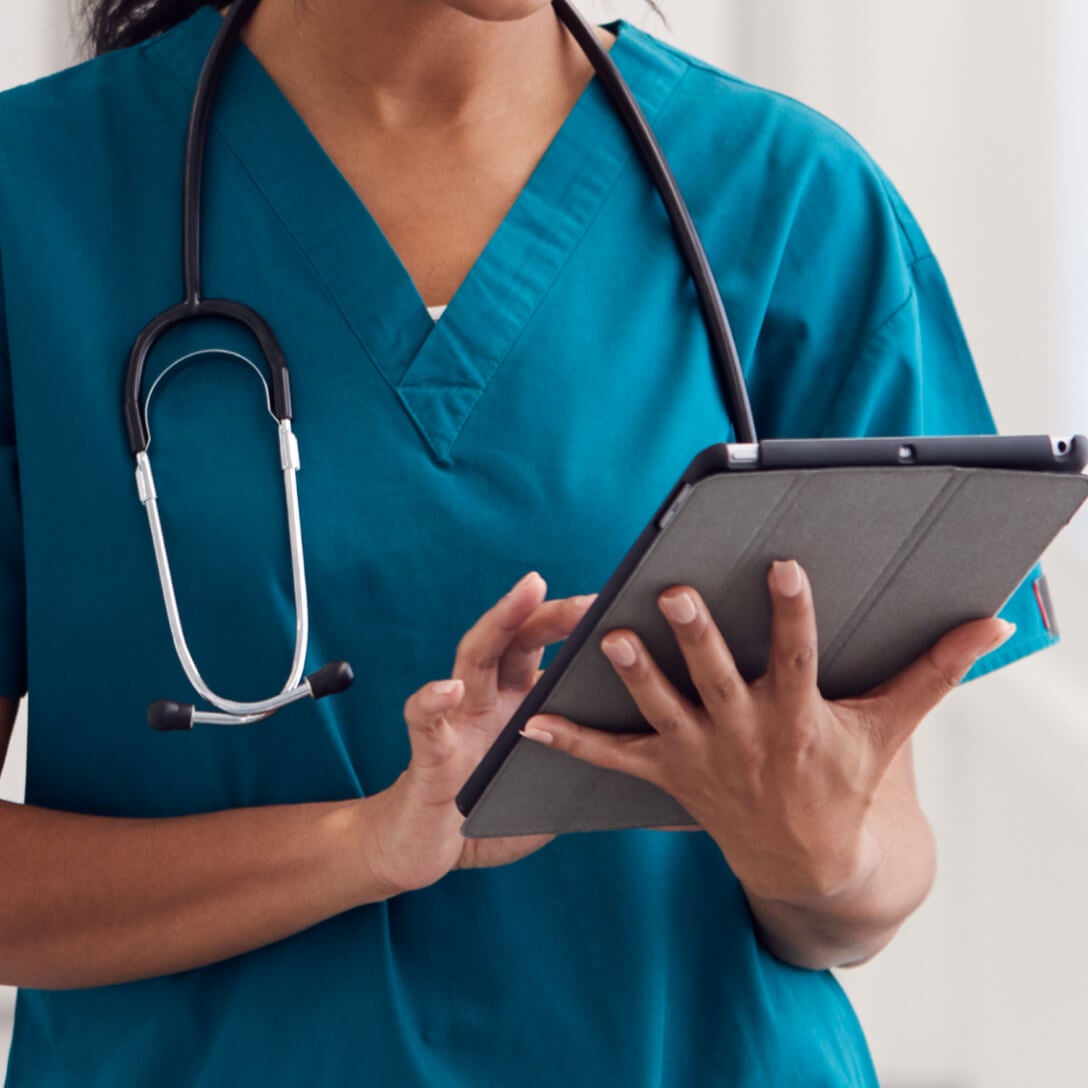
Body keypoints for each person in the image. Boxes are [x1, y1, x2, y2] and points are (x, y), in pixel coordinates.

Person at [0, 1, 1053, 1084]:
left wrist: (813, 853)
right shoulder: (35, 198)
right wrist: (361, 845)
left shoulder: (792, 205)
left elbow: (865, 886)